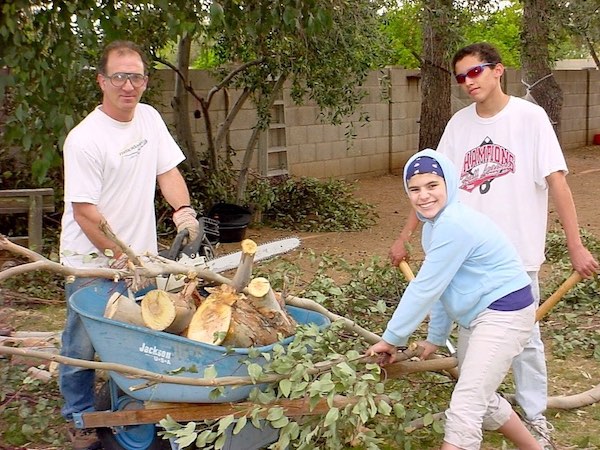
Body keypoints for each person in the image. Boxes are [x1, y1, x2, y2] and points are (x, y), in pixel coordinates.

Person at [389, 42, 599, 448]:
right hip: (465, 256)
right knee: (470, 330)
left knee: (526, 341)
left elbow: (558, 183)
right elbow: (431, 188)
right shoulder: (458, 126)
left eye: (477, 71)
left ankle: (534, 417)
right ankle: (488, 404)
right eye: (461, 76)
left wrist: (575, 245)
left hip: (515, 255)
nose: (469, 81)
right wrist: (404, 237)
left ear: (498, 70)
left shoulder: (529, 118)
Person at [59, 40, 200, 450]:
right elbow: (86, 213)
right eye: (119, 76)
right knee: (81, 343)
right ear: (102, 81)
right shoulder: (85, 139)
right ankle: (79, 416)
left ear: (144, 81)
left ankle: (138, 401)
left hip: (143, 259)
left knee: (146, 336)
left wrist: (184, 211)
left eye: (136, 76)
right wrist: (119, 258)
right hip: (92, 259)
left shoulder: (150, 119)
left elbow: (168, 172)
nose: (128, 85)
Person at [368, 149, 541, 450]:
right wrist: (435, 337)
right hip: (479, 315)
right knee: (479, 397)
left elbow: (424, 288)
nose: (423, 196)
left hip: (504, 312)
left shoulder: (454, 224)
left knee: (466, 405)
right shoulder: (434, 227)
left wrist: (392, 338)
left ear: (449, 183)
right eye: (415, 189)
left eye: (432, 185)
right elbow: (440, 288)